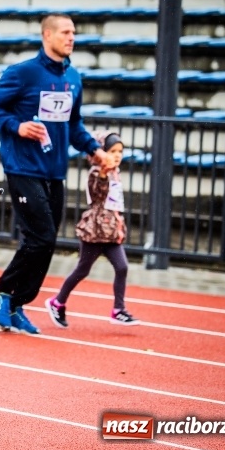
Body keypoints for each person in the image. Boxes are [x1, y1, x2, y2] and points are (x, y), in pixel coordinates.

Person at [0, 12, 115, 335]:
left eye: (74, 32)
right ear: (47, 35)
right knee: (40, 238)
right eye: (65, 32)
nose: (71, 37)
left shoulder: (73, 78)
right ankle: (1, 293)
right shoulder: (23, 73)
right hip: (23, 167)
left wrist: (95, 152)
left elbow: (73, 124)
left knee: (47, 241)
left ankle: (15, 303)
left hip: (55, 170)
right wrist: (18, 126)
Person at [45, 131, 139, 327]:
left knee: (122, 267)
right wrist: (104, 173)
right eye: (113, 151)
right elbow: (97, 194)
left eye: (120, 151)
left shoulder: (116, 172)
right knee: (82, 269)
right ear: (102, 153)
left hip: (111, 232)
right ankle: (57, 302)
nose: (117, 155)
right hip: (94, 232)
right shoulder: (97, 172)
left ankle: (118, 310)